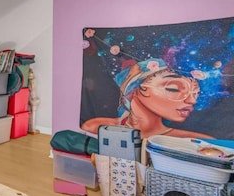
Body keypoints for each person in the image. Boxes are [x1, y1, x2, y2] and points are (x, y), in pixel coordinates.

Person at [81, 58, 213, 139]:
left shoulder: (193, 141)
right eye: (173, 89)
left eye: (195, 93)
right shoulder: (98, 126)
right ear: (136, 89)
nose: (192, 101)